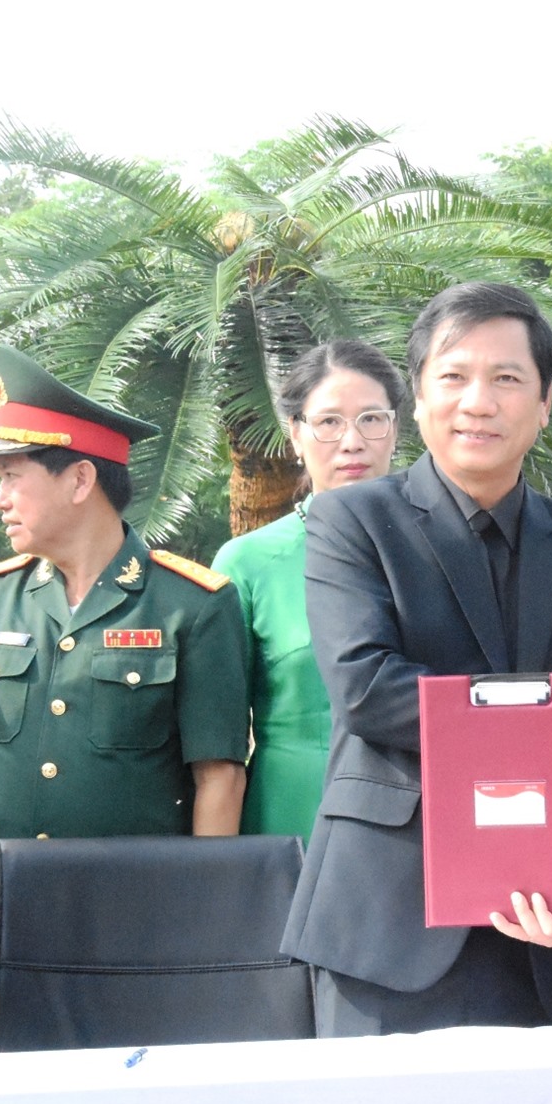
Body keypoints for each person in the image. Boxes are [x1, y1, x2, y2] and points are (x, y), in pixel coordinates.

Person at [282, 282, 552, 1035]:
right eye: (453, 376)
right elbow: (369, 689)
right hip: (390, 923)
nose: (478, 401)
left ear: (544, 405)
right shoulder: (353, 523)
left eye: (507, 379)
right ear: (417, 399)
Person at [0, 345, 250, 1051]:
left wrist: (202, 921)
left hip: (135, 923)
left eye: (11, 477)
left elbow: (218, 775)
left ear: (80, 480)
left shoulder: (193, 604)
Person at [211, 341, 406, 838]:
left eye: (371, 419)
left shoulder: (441, 549)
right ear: (295, 434)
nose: (352, 442)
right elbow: (218, 747)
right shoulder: (247, 563)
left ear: (396, 428)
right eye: (329, 423)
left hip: (418, 823)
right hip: (290, 819)